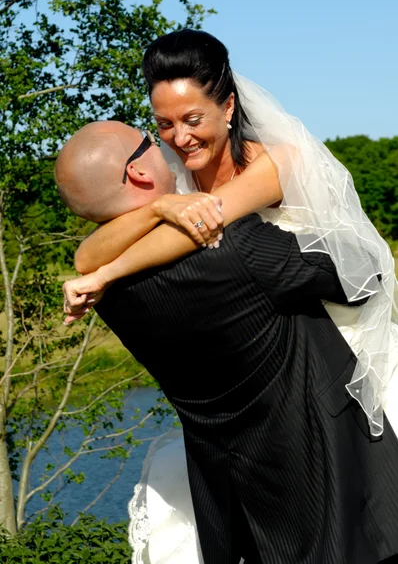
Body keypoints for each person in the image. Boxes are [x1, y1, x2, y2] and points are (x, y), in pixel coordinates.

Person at [56, 121, 398, 564]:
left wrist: (160, 209)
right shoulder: (235, 244)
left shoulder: (105, 292)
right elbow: (364, 275)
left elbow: (89, 253)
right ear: (139, 172)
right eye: (149, 138)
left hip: (235, 499)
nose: (166, 145)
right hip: (327, 477)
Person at [64, 30, 397, 440]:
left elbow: (200, 228)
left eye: (192, 120)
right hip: (253, 372)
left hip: (334, 339)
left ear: (227, 106)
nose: (179, 139)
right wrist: (157, 206)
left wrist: (105, 275)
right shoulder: (172, 171)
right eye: (164, 124)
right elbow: (85, 256)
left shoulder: (279, 161)